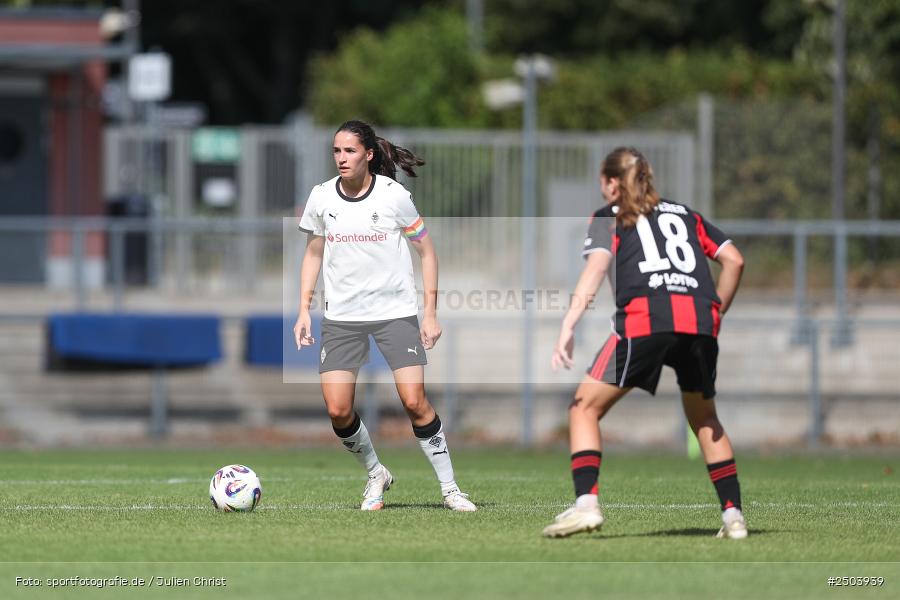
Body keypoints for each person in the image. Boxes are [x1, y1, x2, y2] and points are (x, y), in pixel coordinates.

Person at [542, 146, 746, 539]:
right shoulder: (686, 214)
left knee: (582, 408)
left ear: (614, 183)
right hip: (700, 322)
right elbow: (734, 259)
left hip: (646, 320)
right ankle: (733, 517)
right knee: (704, 418)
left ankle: (586, 506)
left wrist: (568, 325)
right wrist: (716, 311)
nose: (601, 190)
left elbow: (596, 270)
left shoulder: (609, 217)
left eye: (603, 182)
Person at [294, 119, 476, 512]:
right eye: (336, 151)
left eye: (350, 151)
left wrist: (429, 314)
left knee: (414, 401)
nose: (341, 158)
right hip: (342, 317)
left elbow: (427, 253)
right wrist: (303, 311)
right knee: (339, 410)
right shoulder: (322, 197)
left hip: (395, 313)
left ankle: (450, 489)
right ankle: (376, 473)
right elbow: (313, 254)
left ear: (369, 154)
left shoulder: (394, 196)